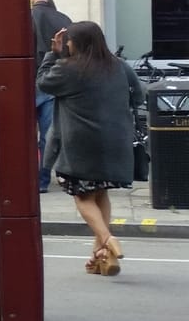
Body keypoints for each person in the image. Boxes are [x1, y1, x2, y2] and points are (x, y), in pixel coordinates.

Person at [37, 20, 142, 276]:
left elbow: (42, 82)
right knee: (100, 194)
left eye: (69, 41)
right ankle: (102, 258)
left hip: (80, 145)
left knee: (82, 196)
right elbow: (138, 94)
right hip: (116, 142)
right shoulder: (118, 66)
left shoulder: (68, 68)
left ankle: (108, 240)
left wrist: (53, 52)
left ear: (76, 43)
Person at [30, 0, 72, 195]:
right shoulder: (62, 18)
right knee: (50, 135)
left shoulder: (24, 17)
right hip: (54, 85)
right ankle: (43, 180)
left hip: (26, 84)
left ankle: (27, 177)